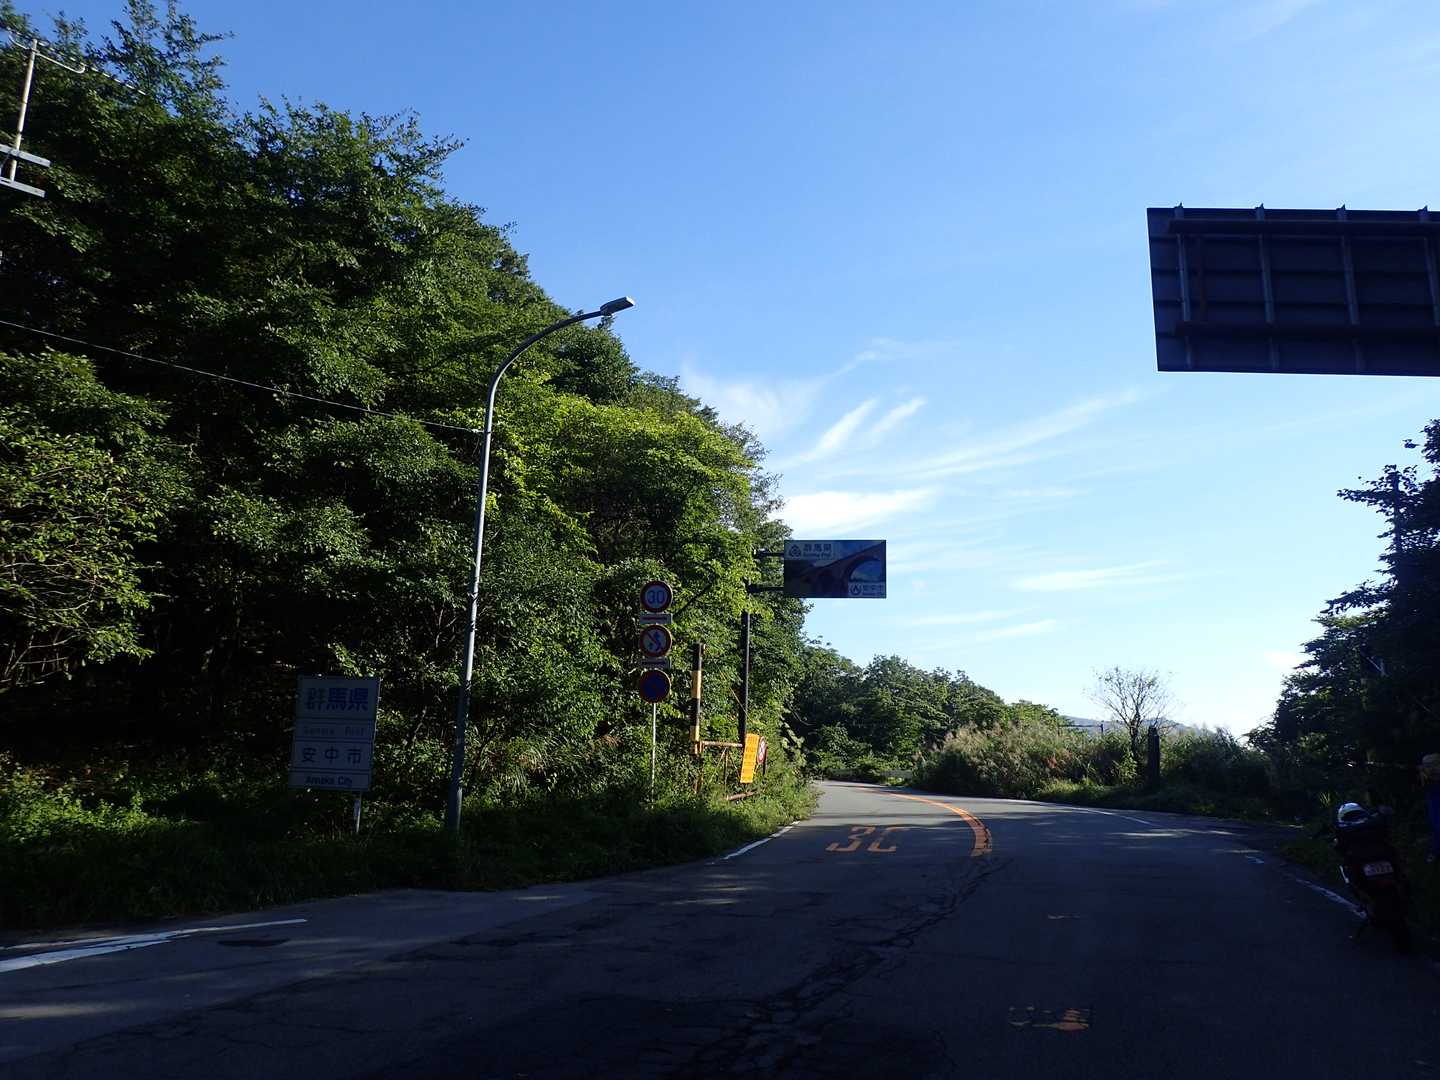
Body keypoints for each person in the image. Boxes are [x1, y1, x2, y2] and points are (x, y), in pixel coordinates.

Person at [1422, 753, 1440, 864]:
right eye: (1427, 765)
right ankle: (1435, 851)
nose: (1430, 768)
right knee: (1436, 826)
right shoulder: (1426, 777)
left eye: (1433, 764)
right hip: (1434, 803)